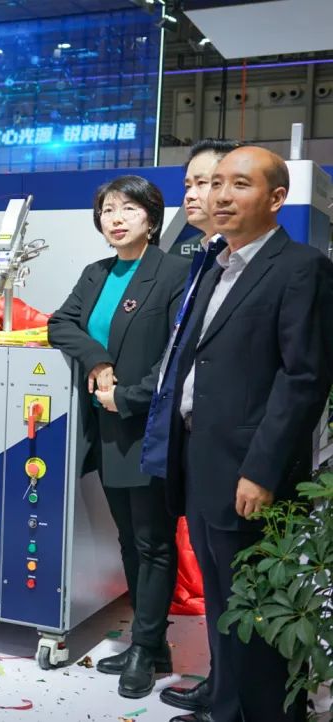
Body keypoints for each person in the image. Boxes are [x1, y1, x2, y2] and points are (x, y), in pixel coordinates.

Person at [160, 146, 333, 722]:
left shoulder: (300, 267)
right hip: (204, 460)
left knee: (255, 611)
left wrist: (261, 470)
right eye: (216, 185)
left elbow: (303, 379)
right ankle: (226, 706)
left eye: (239, 184)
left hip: (252, 473)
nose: (221, 196)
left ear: (276, 198)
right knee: (223, 604)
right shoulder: (217, 264)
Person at [47, 175, 189, 698]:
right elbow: (60, 324)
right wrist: (97, 360)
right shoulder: (97, 273)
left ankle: (147, 647)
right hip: (104, 428)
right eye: (108, 209)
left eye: (129, 208)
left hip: (146, 426)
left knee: (153, 541)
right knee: (130, 538)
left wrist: (126, 396)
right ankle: (149, 644)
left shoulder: (174, 273)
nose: (116, 218)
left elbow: (176, 356)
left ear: (151, 218)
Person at [141, 137, 239, 716]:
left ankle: (233, 695)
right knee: (215, 576)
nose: (197, 194)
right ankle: (220, 684)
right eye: (191, 184)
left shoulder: (266, 267)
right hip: (192, 443)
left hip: (231, 452)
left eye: (209, 182)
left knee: (231, 579)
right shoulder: (205, 259)